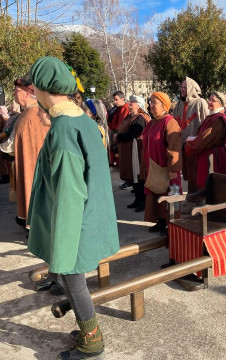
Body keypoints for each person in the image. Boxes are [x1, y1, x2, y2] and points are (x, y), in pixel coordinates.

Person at [27, 56, 120, 359]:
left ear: (43, 88)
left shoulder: (64, 128)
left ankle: (92, 340)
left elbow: (69, 192)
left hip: (74, 221)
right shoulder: (80, 118)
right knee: (71, 278)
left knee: (72, 278)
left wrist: (62, 242)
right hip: (88, 216)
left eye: (33, 86)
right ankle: (87, 331)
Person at [12, 76, 49, 229]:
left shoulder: (33, 115)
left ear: (27, 93)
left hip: (34, 167)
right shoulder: (28, 114)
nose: (14, 93)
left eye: (16, 90)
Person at [143, 92, 182, 234]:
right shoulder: (152, 122)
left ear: (164, 106)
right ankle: (160, 221)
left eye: (154, 102)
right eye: (150, 102)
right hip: (154, 167)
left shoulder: (170, 122)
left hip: (166, 168)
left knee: (169, 195)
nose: (151, 105)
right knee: (156, 195)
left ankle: (171, 223)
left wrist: (173, 168)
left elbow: (174, 147)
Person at [184, 91, 226, 190]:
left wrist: (190, 146)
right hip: (207, 155)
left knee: (211, 189)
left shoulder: (218, 119)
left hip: (214, 157)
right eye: (209, 99)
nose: (209, 102)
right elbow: (200, 134)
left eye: (213, 100)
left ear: (220, 104)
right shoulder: (212, 117)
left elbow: (205, 138)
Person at [114, 95, 150, 212]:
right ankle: (138, 199)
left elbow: (132, 134)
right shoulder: (131, 116)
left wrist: (118, 136)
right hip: (130, 151)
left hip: (137, 151)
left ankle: (142, 201)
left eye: (133, 102)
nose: (130, 103)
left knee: (138, 176)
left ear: (139, 105)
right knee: (133, 176)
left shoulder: (140, 118)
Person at [173, 77, 209, 193]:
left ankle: (198, 199)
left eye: (185, 87)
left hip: (196, 145)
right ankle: (191, 196)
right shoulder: (179, 104)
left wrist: (200, 142)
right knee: (188, 173)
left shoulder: (200, 103)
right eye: (181, 87)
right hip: (183, 145)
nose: (182, 90)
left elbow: (205, 124)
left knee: (197, 172)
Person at [108, 91, 130, 172]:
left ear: (122, 99)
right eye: (114, 100)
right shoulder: (117, 109)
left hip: (123, 136)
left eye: (116, 100)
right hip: (117, 135)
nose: (114, 102)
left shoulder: (127, 109)